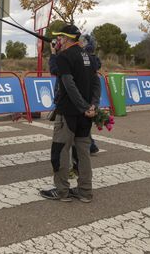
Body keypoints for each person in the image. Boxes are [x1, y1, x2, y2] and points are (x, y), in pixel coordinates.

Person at [40, 24, 101, 203]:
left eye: (60, 38)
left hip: (68, 112)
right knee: (83, 152)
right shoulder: (89, 56)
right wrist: (93, 106)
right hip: (86, 115)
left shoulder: (63, 57)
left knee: (60, 151)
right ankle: (85, 191)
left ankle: (61, 191)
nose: (58, 41)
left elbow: (68, 84)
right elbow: (96, 83)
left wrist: (83, 106)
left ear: (66, 39)